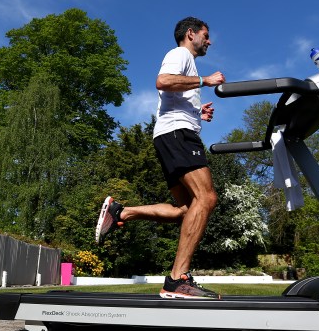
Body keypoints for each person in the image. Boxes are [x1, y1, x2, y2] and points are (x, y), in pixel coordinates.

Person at [95, 16, 226, 299]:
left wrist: (197, 113)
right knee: (207, 199)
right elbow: (163, 81)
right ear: (191, 34)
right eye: (206, 35)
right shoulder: (180, 54)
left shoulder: (186, 63)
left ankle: (122, 211)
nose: (209, 41)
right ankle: (178, 280)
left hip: (173, 132)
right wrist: (206, 80)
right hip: (178, 135)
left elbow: (172, 98)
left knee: (185, 209)